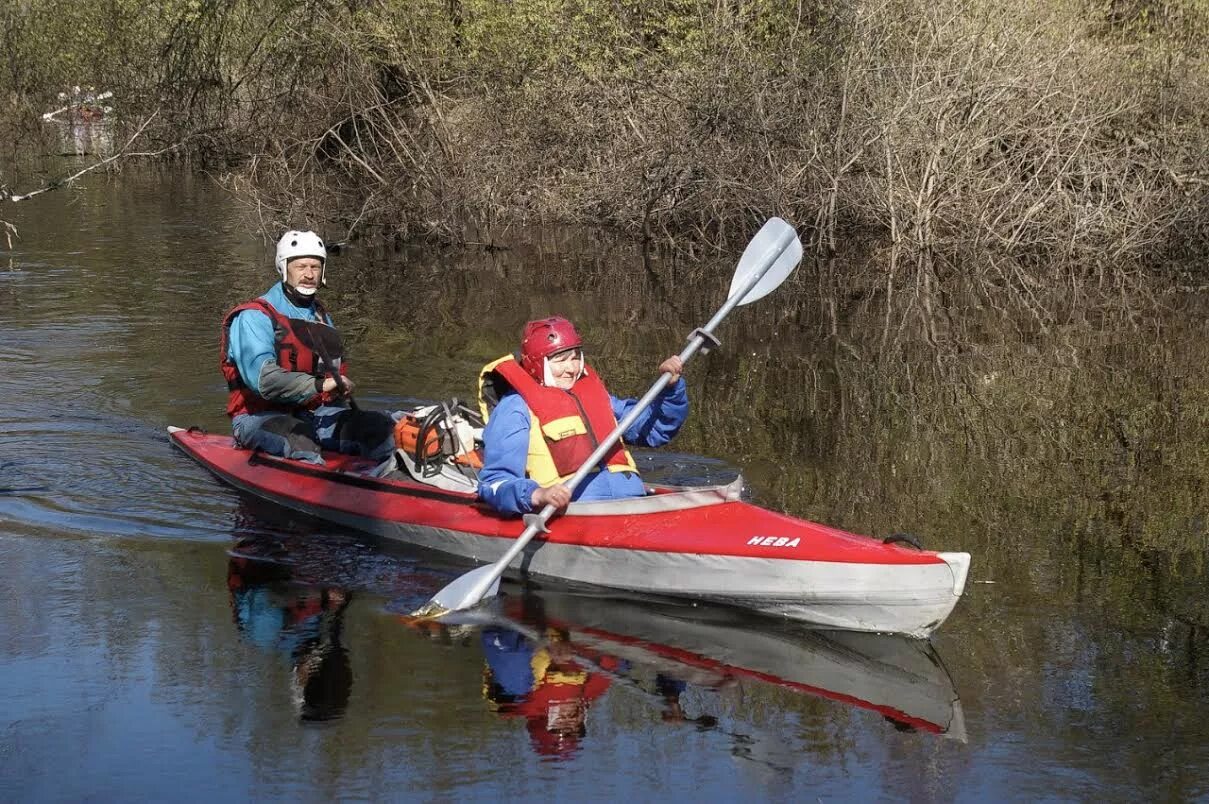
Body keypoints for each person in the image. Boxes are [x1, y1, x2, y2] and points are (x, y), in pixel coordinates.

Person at [476, 316, 688, 515]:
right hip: (575, 513)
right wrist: (538, 494)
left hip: (630, 504)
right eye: (560, 360)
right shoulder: (514, 408)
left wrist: (670, 389)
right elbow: (495, 482)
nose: (571, 368)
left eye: (575, 357)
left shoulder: (596, 396)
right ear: (536, 364)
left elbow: (656, 430)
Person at [220, 229, 396, 464]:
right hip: (257, 417)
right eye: (300, 266)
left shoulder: (321, 317)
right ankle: (320, 485)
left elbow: (332, 375)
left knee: (379, 426)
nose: (309, 274)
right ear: (284, 268)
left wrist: (339, 395)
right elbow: (264, 381)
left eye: (315, 267)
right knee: (302, 440)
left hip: (314, 415)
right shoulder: (253, 317)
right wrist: (321, 384)